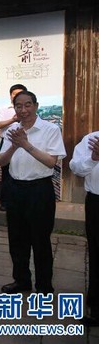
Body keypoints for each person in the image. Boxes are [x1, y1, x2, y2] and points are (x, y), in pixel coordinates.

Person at [0, 90, 65, 296]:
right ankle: (21, 281)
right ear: (14, 108)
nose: (23, 110)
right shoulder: (13, 130)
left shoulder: (50, 129)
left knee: (40, 240)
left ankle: (44, 285)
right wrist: (14, 146)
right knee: (17, 240)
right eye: (19, 105)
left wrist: (26, 144)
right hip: (16, 189)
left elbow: (51, 162)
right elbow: (1, 161)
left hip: (39, 190)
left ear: (36, 106)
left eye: (28, 105)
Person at [70, 131, 99, 326]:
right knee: (96, 252)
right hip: (96, 202)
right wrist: (93, 158)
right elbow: (75, 168)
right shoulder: (92, 139)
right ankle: (95, 306)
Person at [0, 84, 27, 211]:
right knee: (6, 173)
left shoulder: (27, 109)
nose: (17, 96)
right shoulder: (4, 109)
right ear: (10, 95)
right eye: (14, 94)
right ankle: (5, 202)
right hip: (7, 143)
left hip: (24, 143)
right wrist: (13, 120)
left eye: (20, 93)